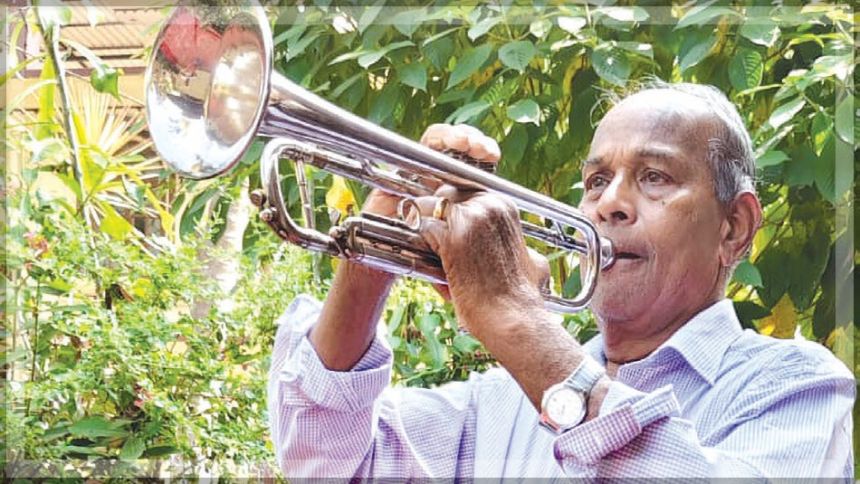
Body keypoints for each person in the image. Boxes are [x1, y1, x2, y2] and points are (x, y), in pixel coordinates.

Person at [266, 82, 854, 479]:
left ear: (734, 228)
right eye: (596, 181)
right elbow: (326, 462)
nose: (610, 203)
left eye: (654, 176)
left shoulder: (796, 384)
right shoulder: (497, 401)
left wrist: (512, 317)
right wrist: (374, 248)